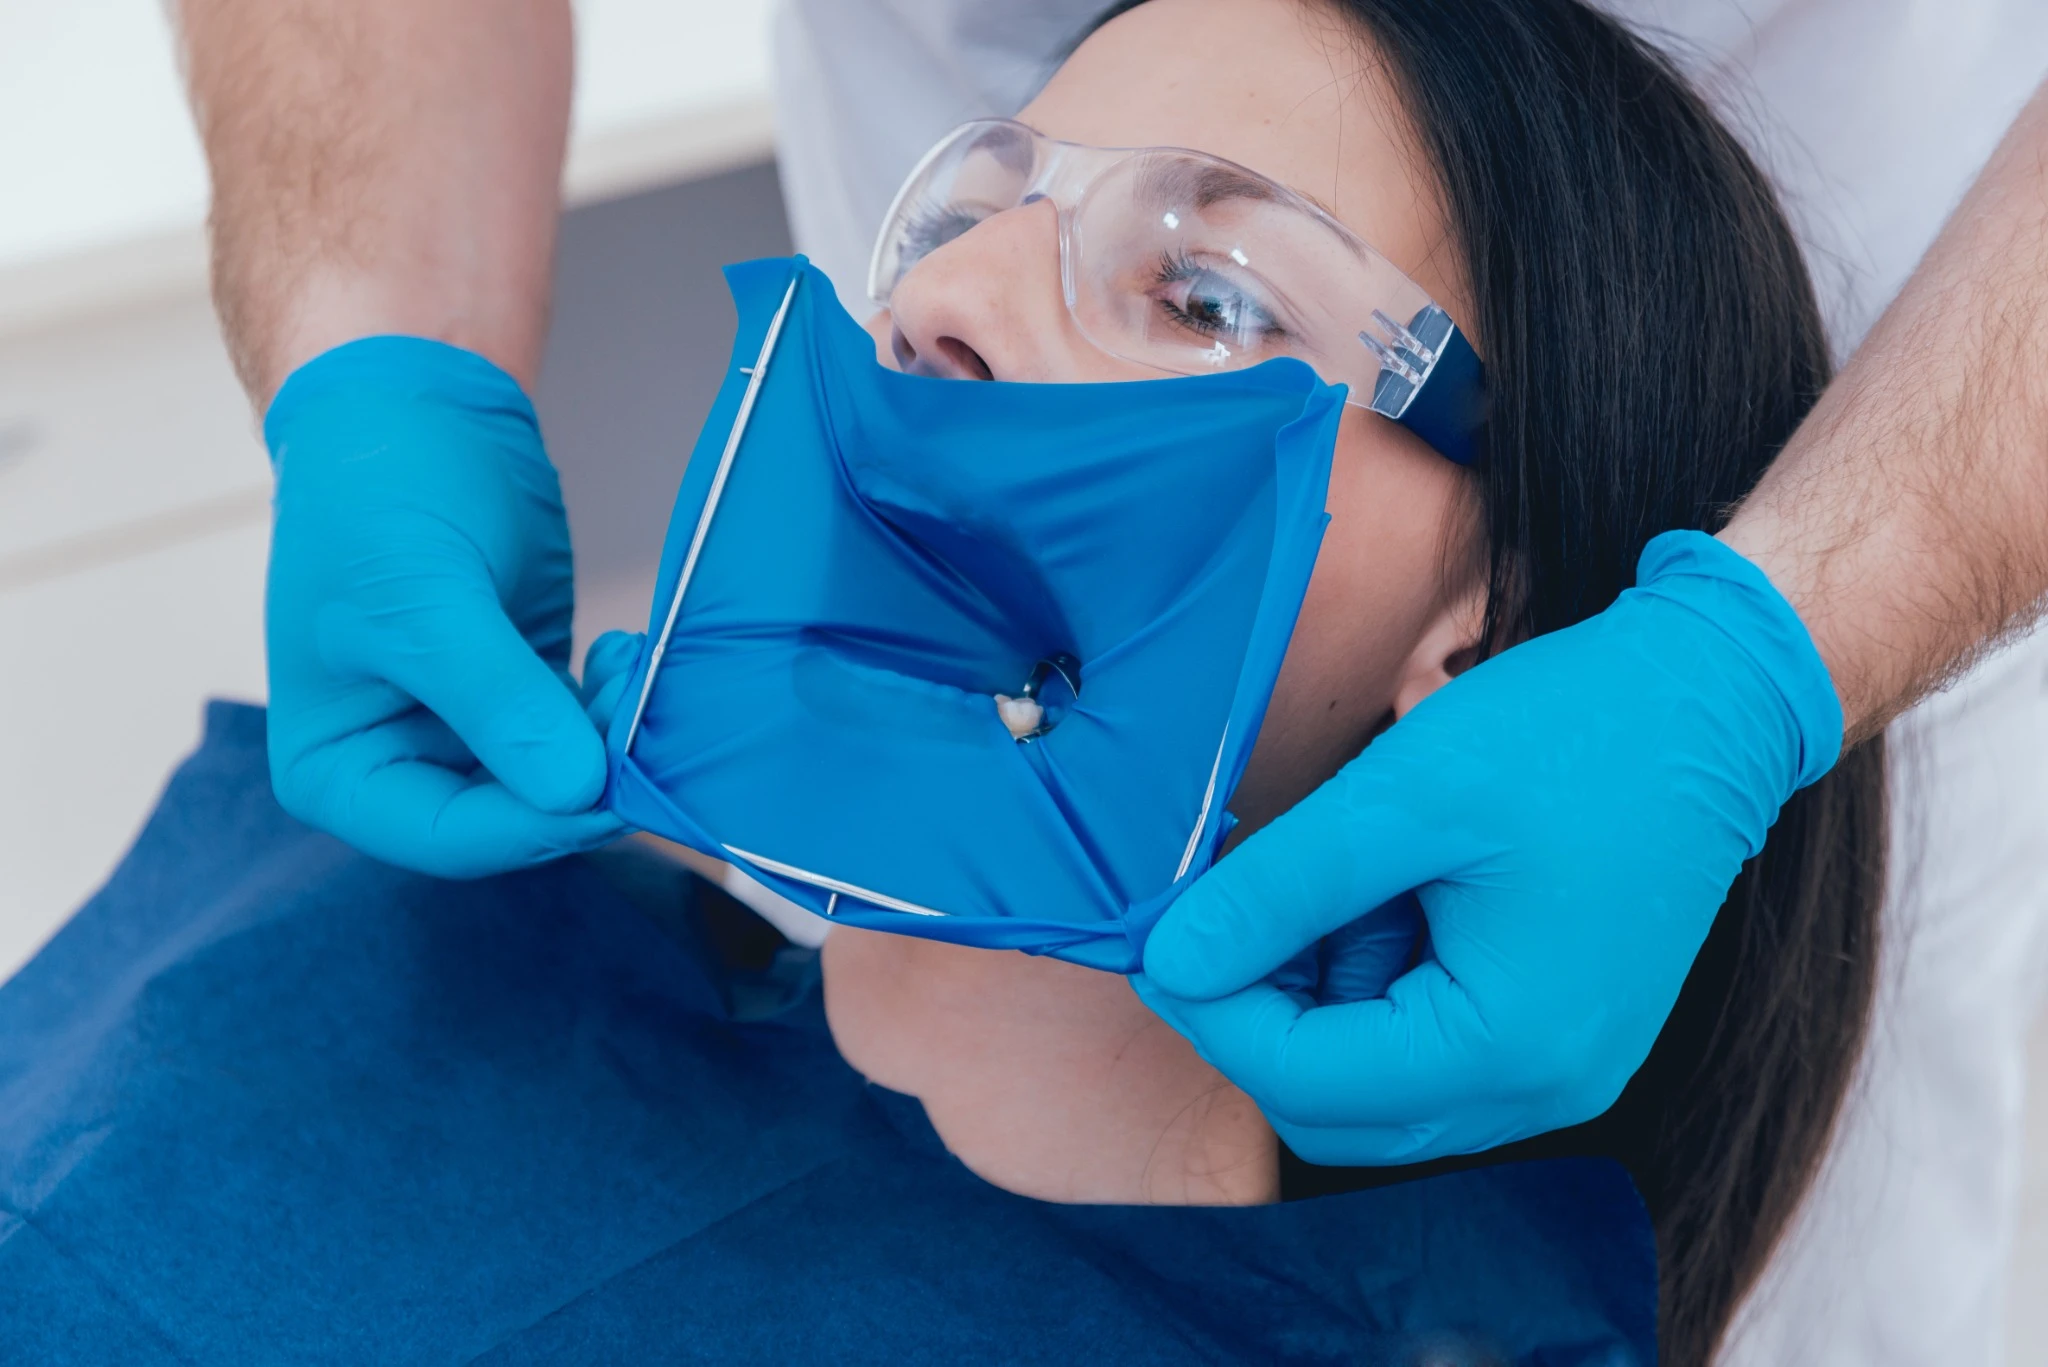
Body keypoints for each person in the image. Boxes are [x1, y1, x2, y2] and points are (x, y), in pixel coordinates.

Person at [171, 0, 2048, 1359]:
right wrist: (374, 352)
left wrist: (1763, 655)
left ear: (1482, 633)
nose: (930, 308)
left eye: (1210, 293)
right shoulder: (376, 967)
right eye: (965, 219)